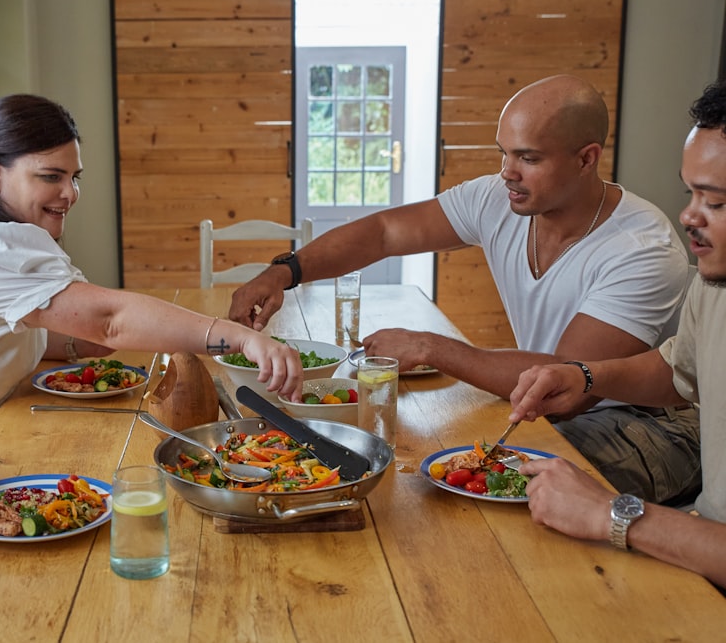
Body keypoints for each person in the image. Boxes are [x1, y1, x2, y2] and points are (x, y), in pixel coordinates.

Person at [228, 74, 700, 505]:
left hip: (652, 424)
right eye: (505, 152)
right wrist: (284, 271)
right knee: (432, 464)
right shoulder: (499, 198)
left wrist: (428, 346)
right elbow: (386, 232)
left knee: (482, 484)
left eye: (528, 158)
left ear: (586, 158)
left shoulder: (642, 248)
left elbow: (570, 383)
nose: (507, 172)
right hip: (544, 403)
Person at [0, 94, 303, 436]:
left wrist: (84, 346)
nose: (70, 194)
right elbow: (109, 321)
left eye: (73, 177)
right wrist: (239, 338)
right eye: (50, 177)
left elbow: (72, 332)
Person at [507, 81, 726, 589]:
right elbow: (679, 371)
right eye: (689, 193)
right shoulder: (714, 285)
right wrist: (584, 376)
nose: (689, 216)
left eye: (715, 203)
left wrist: (617, 514)